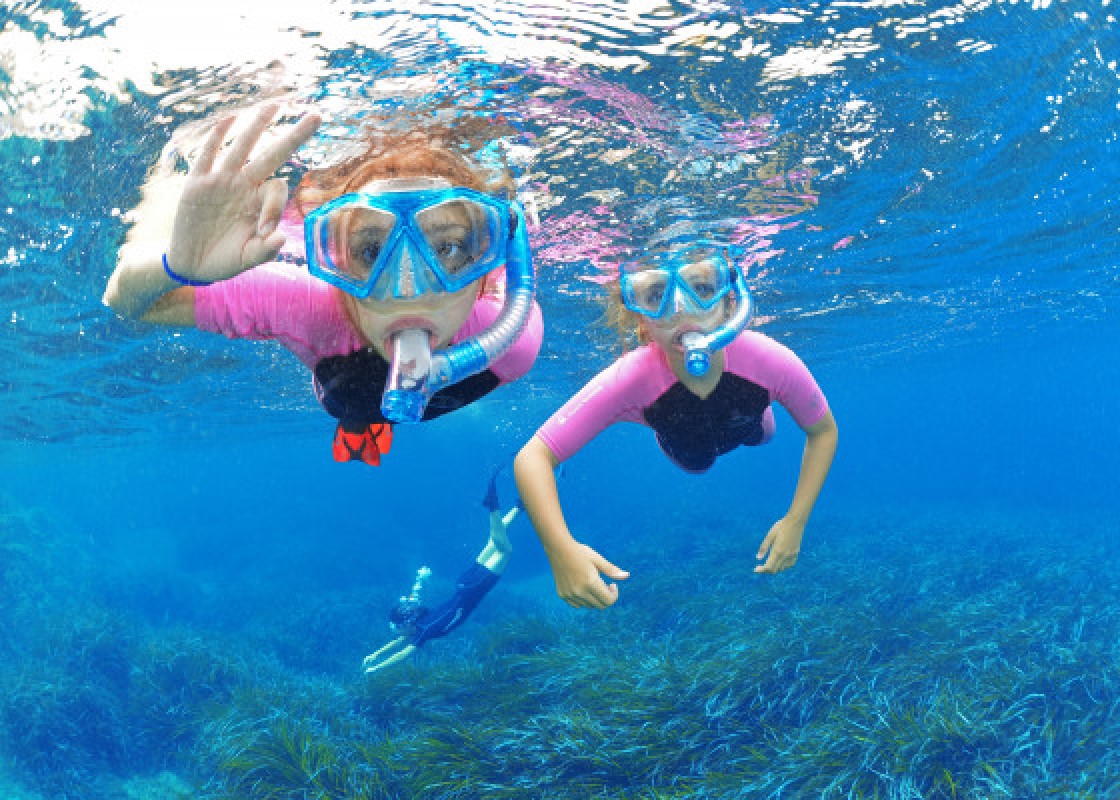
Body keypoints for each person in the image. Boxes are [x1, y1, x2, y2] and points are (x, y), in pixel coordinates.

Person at [103, 103, 543, 462]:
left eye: (446, 249)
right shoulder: (304, 304)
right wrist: (178, 264)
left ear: (487, 259)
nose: (410, 287)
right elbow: (123, 301)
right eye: (372, 252)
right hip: (342, 388)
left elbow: (127, 304)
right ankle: (358, 428)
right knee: (350, 399)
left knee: (358, 401)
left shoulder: (511, 335)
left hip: (399, 384)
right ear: (336, 259)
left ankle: (362, 426)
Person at [513, 238, 838, 609]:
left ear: (731, 303)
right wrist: (560, 550)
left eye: (701, 288)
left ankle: (758, 417)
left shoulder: (771, 361)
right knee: (696, 462)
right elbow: (534, 455)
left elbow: (823, 431)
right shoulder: (630, 379)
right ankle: (673, 436)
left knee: (762, 434)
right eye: (655, 295)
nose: (681, 308)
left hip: (749, 423)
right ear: (641, 320)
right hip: (682, 438)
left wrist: (796, 520)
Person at [362, 470, 519, 674]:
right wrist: (374, 655)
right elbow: (399, 642)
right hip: (464, 584)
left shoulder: (424, 630)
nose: (398, 634)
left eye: (398, 629)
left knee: (505, 549)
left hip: (472, 590)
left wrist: (376, 668)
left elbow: (401, 655)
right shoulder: (419, 624)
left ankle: (493, 506)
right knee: (493, 542)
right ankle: (518, 507)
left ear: (408, 624)